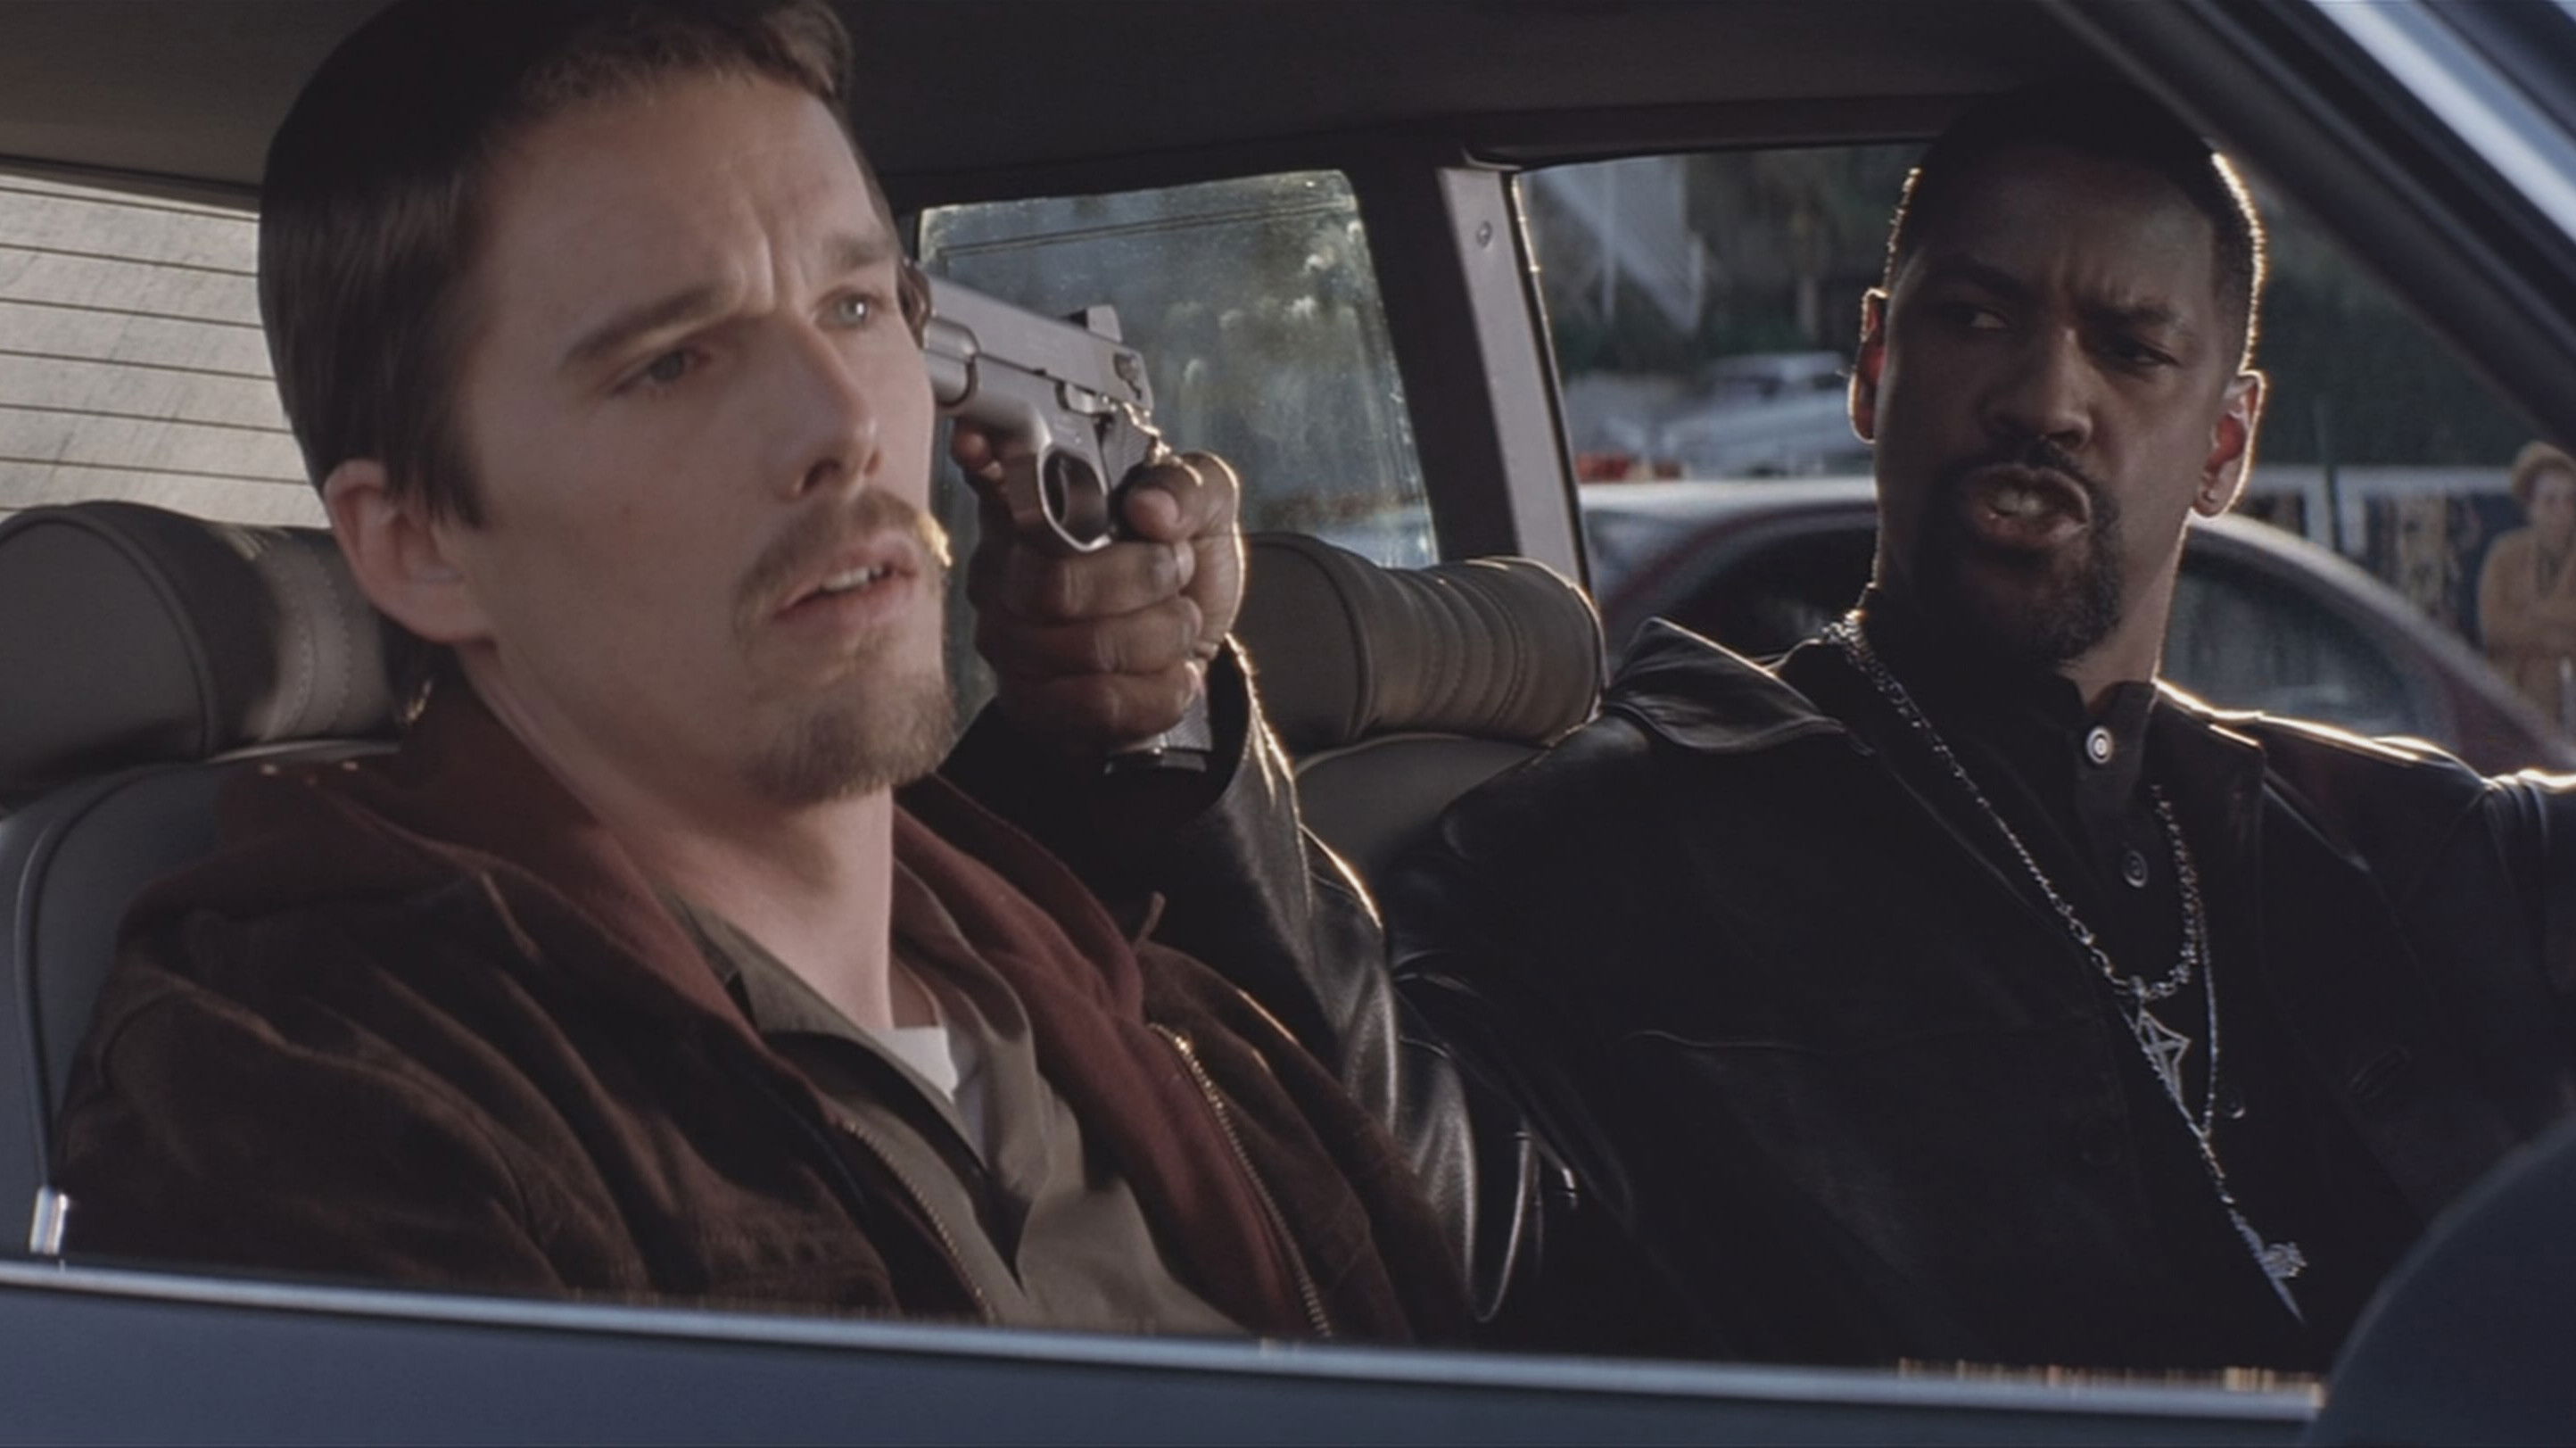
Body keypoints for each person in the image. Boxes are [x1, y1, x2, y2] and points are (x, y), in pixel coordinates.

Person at [49, 0, 1462, 1342]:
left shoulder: (1139, 1010)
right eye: (671, 363)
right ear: (421, 544)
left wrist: (1154, 717)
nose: (844, 421)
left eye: (856, 307)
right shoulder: (330, 1103)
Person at [1379, 87, 2576, 1372]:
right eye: (1976, 317)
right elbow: (1413, 1214)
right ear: (1873, 366)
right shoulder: (1616, 850)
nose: (2045, 398)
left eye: (2130, 348)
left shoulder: (2406, 847)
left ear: (2224, 446)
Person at [2479, 440, 2576, 728]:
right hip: (2513, 696)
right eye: (2550, 501)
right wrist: (2559, 636)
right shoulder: (2504, 554)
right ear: (2530, 506)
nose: (2562, 511)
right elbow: (2494, 628)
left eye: (2570, 500)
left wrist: (2532, 613)